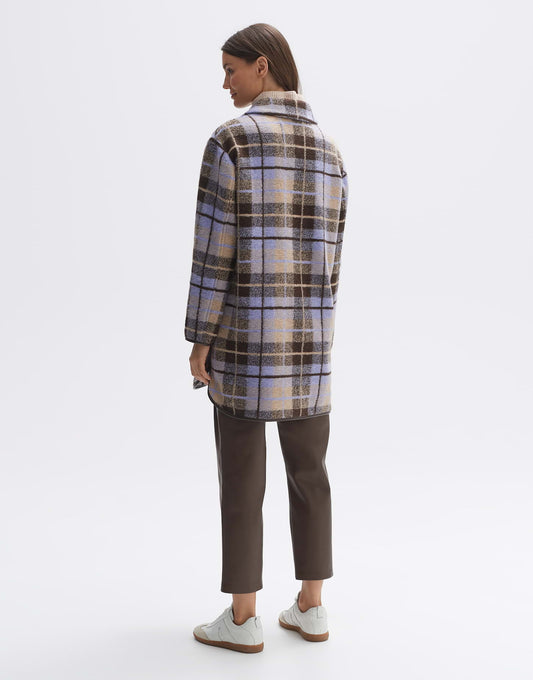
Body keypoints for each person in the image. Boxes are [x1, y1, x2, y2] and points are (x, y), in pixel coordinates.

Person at [184, 23, 348, 653]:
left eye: (230, 69)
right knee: (311, 474)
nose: (224, 83)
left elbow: (212, 253)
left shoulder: (231, 141)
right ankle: (312, 607)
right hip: (309, 347)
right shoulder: (330, 152)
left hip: (245, 344)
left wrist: (200, 337)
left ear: (261, 66)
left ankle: (244, 617)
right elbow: (332, 263)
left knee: (242, 479)